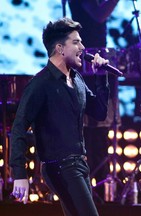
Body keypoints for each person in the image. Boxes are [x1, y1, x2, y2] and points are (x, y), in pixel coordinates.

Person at [9, 17, 110, 216]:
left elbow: (99, 112)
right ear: (60, 48)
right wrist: (19, 174)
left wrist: (101, 76)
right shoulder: (40, 84)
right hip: (60, 167)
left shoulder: (77, 79)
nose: (83, 46)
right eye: (76, 42)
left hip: (80, 165)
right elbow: (19, 127)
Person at [69, 0, 120, 202]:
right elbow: (98, 15)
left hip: (94, 62)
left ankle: (100, 190)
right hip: (83, 62)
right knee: (88, 136)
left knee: (99, 137)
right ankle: (86, 191)